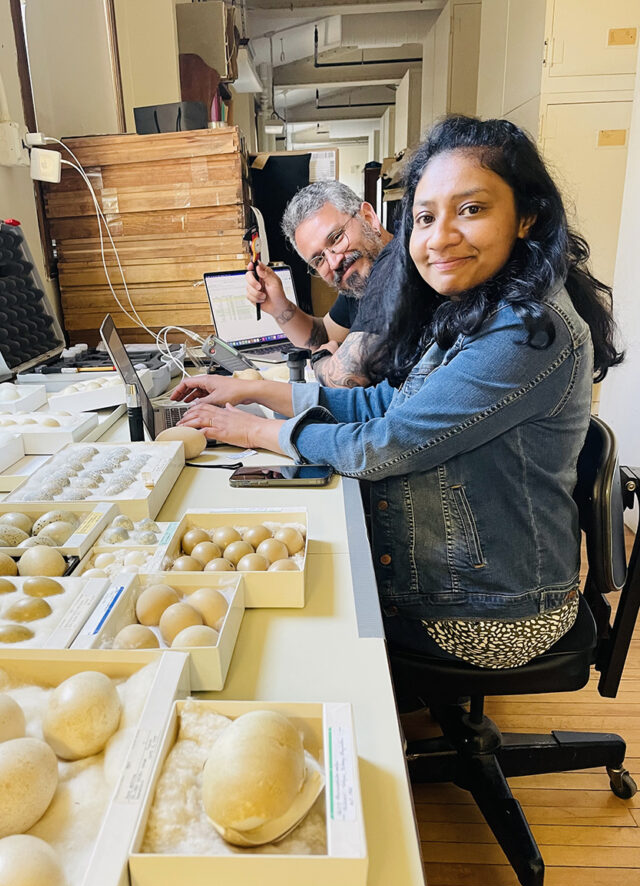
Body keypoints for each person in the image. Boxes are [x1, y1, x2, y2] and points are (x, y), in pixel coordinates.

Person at [172, 115, 621, 671]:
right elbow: (382, 404)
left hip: (494, 612)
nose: (440, 237)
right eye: (426, 217)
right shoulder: (477, 307)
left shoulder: (528, 331)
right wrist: (248, 392)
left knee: (290, 635)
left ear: (527, 215)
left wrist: (259, 431)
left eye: (472, 209)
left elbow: (383, 443)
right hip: (468, 584)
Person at [245, 181, 393, 388]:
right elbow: (325, 334)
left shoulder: (397, 266)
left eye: (336, 238)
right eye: (319, 260)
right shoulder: (360, 277)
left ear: (368, 218)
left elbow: (348, 376)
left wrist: (320, 358)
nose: (334, 262)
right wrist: (278, 305)